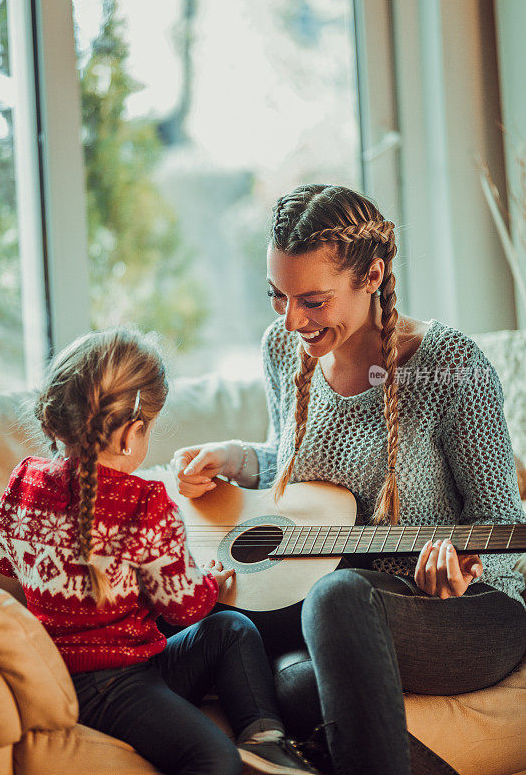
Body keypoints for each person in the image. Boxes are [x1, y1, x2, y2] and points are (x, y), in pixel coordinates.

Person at [173, 185, 526, 775]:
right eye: (277, 297)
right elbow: (305, 476)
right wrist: (236, 458)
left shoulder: (450, 365)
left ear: (373, 275)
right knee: (283, 682)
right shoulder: (283, 350)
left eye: (312, 300)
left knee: (334, 598)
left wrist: (466, 572)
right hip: (329, 607)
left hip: (464, 612)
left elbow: (503, 518)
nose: (291, 321)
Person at [0, 327, 320, 775]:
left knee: (231, 629)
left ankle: (265, 740)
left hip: (86, 668)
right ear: (131, 433)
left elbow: (2, 558)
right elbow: (186, 607)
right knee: (212, 757)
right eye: (149, 428)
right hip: (112, 685)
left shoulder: (25, 480)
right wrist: (209, 581)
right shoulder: (144, 501)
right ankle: (253, 745)